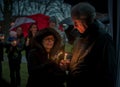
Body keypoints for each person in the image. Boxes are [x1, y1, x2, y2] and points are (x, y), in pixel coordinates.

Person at [60, 2, 116, 87]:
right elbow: (82, 64)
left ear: (84, 21)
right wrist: (69, 65)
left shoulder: (103, 40)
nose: (74, 26)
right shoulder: (79, 38)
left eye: (75, 22)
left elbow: (108, 73)